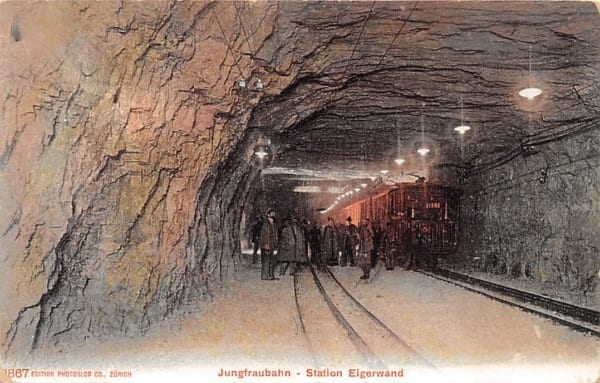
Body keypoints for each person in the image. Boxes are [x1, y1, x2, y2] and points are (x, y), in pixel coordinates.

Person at [259, 209, 278, 280]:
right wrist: (266, 245)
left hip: (271, 245)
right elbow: (264, 236)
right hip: (267, 245)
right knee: (266, 261)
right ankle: (265, 276)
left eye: (274, 213)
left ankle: (270, 275)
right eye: (272, 213)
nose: (274, 215)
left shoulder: (273, 224)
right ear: (268, 215)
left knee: (271, 261)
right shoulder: (266, 224)